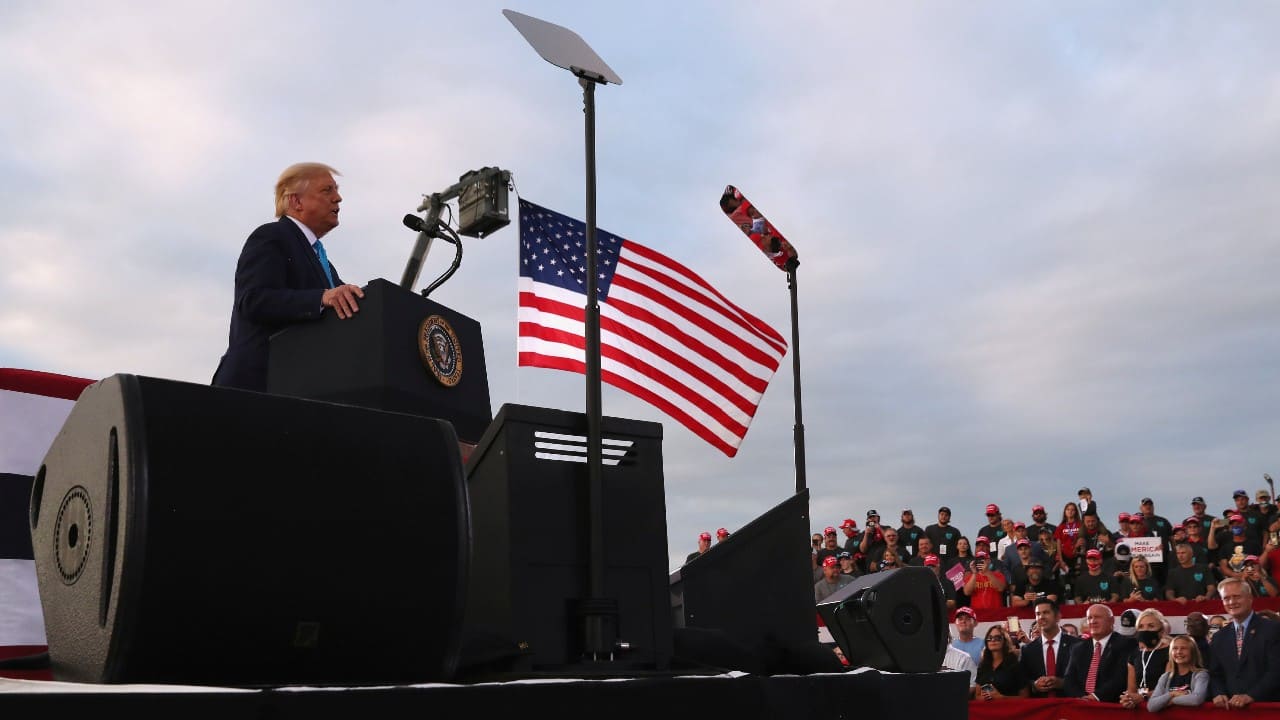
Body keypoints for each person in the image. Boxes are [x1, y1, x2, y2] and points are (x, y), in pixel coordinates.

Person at [213, 162, 365, 391]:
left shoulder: (324, 263)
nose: (338, 198)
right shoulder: (271, 236)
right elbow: (253, 300)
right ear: (296, 201)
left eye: (337, 189)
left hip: (301, 389)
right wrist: (322, 298)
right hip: (254, 389)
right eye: (327, 190)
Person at [1208, 577, 1280, 707]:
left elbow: (1276, 671)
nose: (1231, 602)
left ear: (1250, 598)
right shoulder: (1219, 637)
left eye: (1236, 596)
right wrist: (1218, 692)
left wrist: (1251, 695)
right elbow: (1215, 674)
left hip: (1266, 708)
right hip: (1231, 710)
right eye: (1226, 598)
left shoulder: (1273, 629)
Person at [1064, 603, 1138, 702]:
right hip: (1081, 705)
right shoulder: (1078, 648)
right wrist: (1081, 698)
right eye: (1089, 618)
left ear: (1111, 621)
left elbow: (1121, 677)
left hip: (1111, 706)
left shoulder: (1127, 644)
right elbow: (1069, 679)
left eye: (1098, 617)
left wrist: (1095, 697)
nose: (1093, 621)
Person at [1018, 597, 1080, 697]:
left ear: (1058, 617)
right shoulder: (1027, 650)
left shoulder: (1077, 645)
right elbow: (1021, 680)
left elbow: (1085, 677)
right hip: (1040, 707)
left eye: (1046, 612)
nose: (1041, 617)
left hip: (1070, 705)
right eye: (1038, 614)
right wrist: (1034, 685)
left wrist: (1063, 683)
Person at [1118, 608, 1171, 709]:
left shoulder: (1171, 652)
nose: (1145, 630)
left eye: (1151, 626)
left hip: (1164, 707)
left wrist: (1143, 696)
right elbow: (1131, 689)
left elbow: (1168, 687)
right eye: (1141, 626)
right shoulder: (1134, 654)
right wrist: (1128, 699)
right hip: (1140, 708)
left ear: (1162, 630)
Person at [1146, 634, 1210, 712]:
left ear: (1193, 652)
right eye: (1175, 648)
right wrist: (1172, 694)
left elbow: (1196, 699)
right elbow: (1151, 706)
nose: (1179, 652)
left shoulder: (1201, 675)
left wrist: (1171, 701)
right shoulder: (1165, 677)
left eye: (1183, 648)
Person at [972, 624, 1030, 700]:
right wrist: (984, 697)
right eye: (989, 638)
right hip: (987, 710)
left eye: (997, 638)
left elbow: (1025, 697)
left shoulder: (1015, 665)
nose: (993, 640)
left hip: (1009, 710)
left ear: (1005, 641)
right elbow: (977, 696)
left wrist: (1002, 697)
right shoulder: (982, 666)